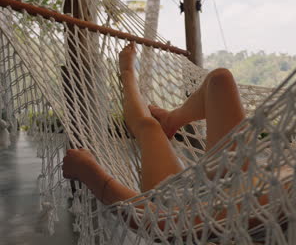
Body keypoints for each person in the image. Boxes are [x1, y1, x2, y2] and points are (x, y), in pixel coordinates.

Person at [62, 42, 246, 205]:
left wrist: (88, 171)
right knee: (220, 80)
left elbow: (149, 219)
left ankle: (127, 75)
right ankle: (170, 119)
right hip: (241, 180)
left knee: (149, 127)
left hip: (184, 209)